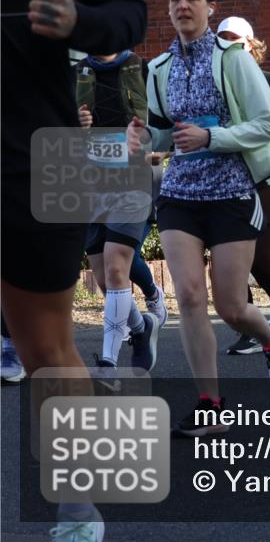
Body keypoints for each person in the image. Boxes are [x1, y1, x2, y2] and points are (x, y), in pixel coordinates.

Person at [3, 0, 148, 536]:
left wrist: (78, 22)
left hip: (37, 156)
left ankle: (79, 511)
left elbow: (127, 12)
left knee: (46, 347)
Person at [127, 0, 270, 437]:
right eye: (174, 0)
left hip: (231, 192)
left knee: (230, 306)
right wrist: (143, 137)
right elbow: (162, 132)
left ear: (210, 7)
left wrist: (212, 136)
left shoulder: (234, 60)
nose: (182, 6)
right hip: (181, 194)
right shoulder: (159, 69)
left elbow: (267, 124)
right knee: (187, 296)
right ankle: (210, 403)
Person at [215, 16, 270, 355]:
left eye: (234, 39)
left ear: (250, 44)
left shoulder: (269, 81)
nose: (227, 45)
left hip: (268, 177)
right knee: (228, 257)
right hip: (227, 181)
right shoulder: (214, 85)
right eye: (221, 39)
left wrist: (269, 124)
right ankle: (249, 325)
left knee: (258, 256)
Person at [75, 48, 166, 377]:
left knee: (116, 268)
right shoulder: (79, 72)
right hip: (91, 183)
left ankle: (109, 362)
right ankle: (142, 328)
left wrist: (148, 142)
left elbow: (166, 127)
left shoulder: (142, 69)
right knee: (103, 278)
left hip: (132, 179)